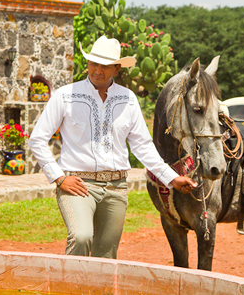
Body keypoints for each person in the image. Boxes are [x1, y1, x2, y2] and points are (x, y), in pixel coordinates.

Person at [28, 35, 197, 259]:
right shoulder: (65, 96)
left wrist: (172, 178)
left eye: (105, 66)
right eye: (94, 63)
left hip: (116, 188)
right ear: (87, 63)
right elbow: (37, 139)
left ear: (116, 69)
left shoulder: (128, 100)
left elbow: (143, 146)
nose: (98, 70)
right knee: (81, 236)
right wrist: (59, 178)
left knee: (105, 256)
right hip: (77, 184)